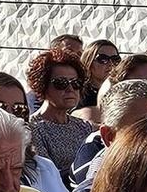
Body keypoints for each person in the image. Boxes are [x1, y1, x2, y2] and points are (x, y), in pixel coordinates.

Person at [24, 47, 98, 180]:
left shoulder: (84, 126)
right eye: (61, 83)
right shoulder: (32, 128)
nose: (70, 89)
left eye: (76, 83)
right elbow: (47, 174)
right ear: (42, 85)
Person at [75, 40, 121, 121]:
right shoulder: (78, 90)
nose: (111, 64)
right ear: (89, 62)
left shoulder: (122, 90)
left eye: (115, 59)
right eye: (102, 59)